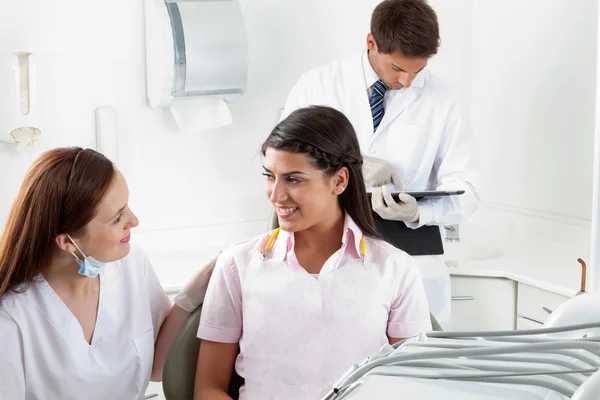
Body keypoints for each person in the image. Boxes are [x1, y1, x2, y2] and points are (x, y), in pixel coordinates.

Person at [193, 106, 432, 399]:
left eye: (294, 179)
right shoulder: (237, 265)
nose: (276, 195)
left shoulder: (395, 269)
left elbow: (413, 386)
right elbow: (207, 389)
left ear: (339, 181)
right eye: (270, 176)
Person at [280, 0, 480, 330]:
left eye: (419, 70)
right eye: (398, 69)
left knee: (418, 363)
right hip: (327, 248)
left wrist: (418, 213)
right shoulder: (318, 84)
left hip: (410, 254)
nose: (408, 82)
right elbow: (285, 160)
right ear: (371, 42)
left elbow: (468, 188)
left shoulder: (444, 100)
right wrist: (354, 164)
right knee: (334, 361)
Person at [0, 147, 171, 400]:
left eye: (127, 206)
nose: (134, 221)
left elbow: (159, 369)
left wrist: (191, 298)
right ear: (67, 242)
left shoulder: (133, 266)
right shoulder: (13, 318)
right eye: (117, 218)